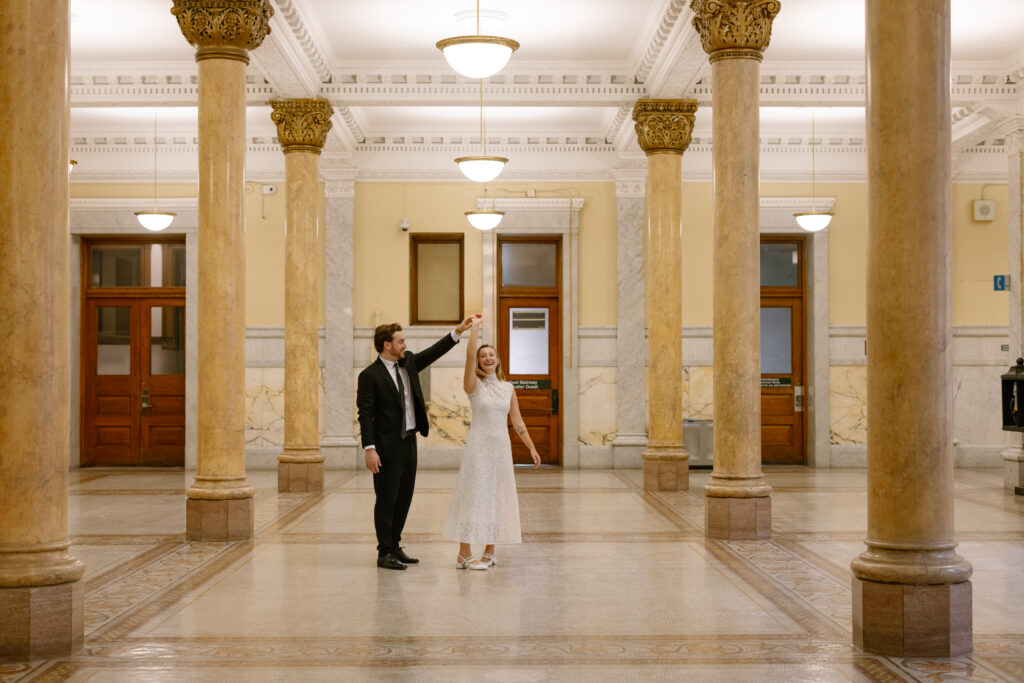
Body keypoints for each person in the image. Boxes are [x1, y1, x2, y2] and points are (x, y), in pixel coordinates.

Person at [358, 317, 474, 570]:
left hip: (409, 442)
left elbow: (433, 352)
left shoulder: (408, 362)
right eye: (400, 341)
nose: (404, 345)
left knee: (404, 498)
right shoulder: (369, 376)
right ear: (386, 344)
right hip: (386, 447)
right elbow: (365, 415)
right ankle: (384, 552)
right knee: (386, 499)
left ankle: (395, 545)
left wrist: (457, 331)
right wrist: (370, 449)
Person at [443, 316, 540, 570]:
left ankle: (490, 551)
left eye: (491, 355)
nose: (487, 358)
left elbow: (517, 422)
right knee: (473, 495)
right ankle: (464, 553)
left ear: (498, 360)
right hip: (478, 447)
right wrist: (474, 328)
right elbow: (468, 358)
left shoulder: (508, 388)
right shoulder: (474, 385)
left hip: (501, 449)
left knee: (496, 496)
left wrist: (531, 447)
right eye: (483, 355)